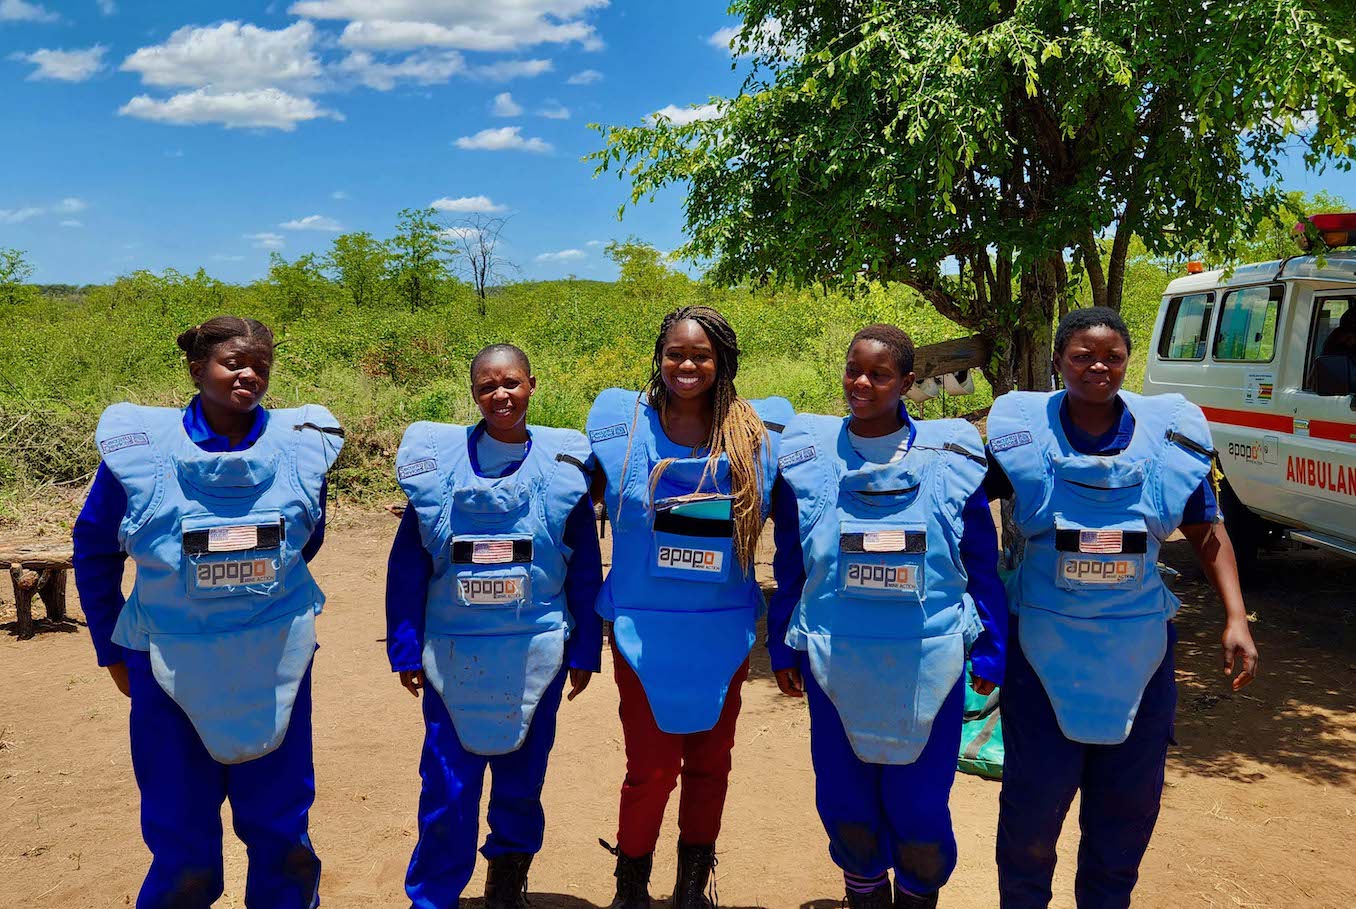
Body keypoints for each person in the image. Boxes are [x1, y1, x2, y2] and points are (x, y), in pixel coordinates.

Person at [987, 306, 1259, 909]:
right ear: (1059, 361)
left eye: (1111, 355)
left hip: (1138, 653)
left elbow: (1207, 531)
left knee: (1126, 812)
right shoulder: (1021, 439)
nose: (1097, 366)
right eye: (1082, 354)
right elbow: (954, 511)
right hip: (1041, 649)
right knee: (1032, 812)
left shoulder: (1171, 441)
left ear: (1126, 362)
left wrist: (1236, 618)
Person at [72, 316, 343, 909]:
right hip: (166, 660)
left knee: (279, 821)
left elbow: (305, 539)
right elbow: (94, 550)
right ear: (197, 369)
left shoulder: (302, 447)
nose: (248, 374)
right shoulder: (139, 454)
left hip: (274, 658)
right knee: (180, 826)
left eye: (260, 365)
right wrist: (110, 650)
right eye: (232, 363)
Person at [767, 324, 1007, 909]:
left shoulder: (949, 459)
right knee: (846, 803)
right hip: (836, 657)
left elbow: (979, 559)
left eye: (879, 373)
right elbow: (792, 562)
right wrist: (783, 645)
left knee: (919, 809)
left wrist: (991, 648)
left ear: (906, 381)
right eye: (854, 369)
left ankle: (921, 893)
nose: (863, 382)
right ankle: (865, 892)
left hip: (929, 658)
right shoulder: (805, 460)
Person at [586, 306, 793, 909]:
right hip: (642, 629)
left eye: (702, 355)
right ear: (660, 355)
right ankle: (631, 889)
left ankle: (690, 889)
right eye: (676, 353)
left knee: (711, 764)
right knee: (648, 768)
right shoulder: (620, 431)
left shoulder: (757, 436)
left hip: (721, 629)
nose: (687, 365)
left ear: (722, 362)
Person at [386, 343, 603, 909]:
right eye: (486, 386)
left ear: (532, 384)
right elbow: (407, 565)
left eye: (510, 383)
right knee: (447, 786)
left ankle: (507, 879)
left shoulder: (563, 470)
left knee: (521, 778)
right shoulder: (437, 472)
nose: (500, 395)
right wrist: (405, 647)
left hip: (536, 650)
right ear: (473, 393)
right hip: (452, 654)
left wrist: (584, 651)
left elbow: (584, 567)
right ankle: (433, 896)